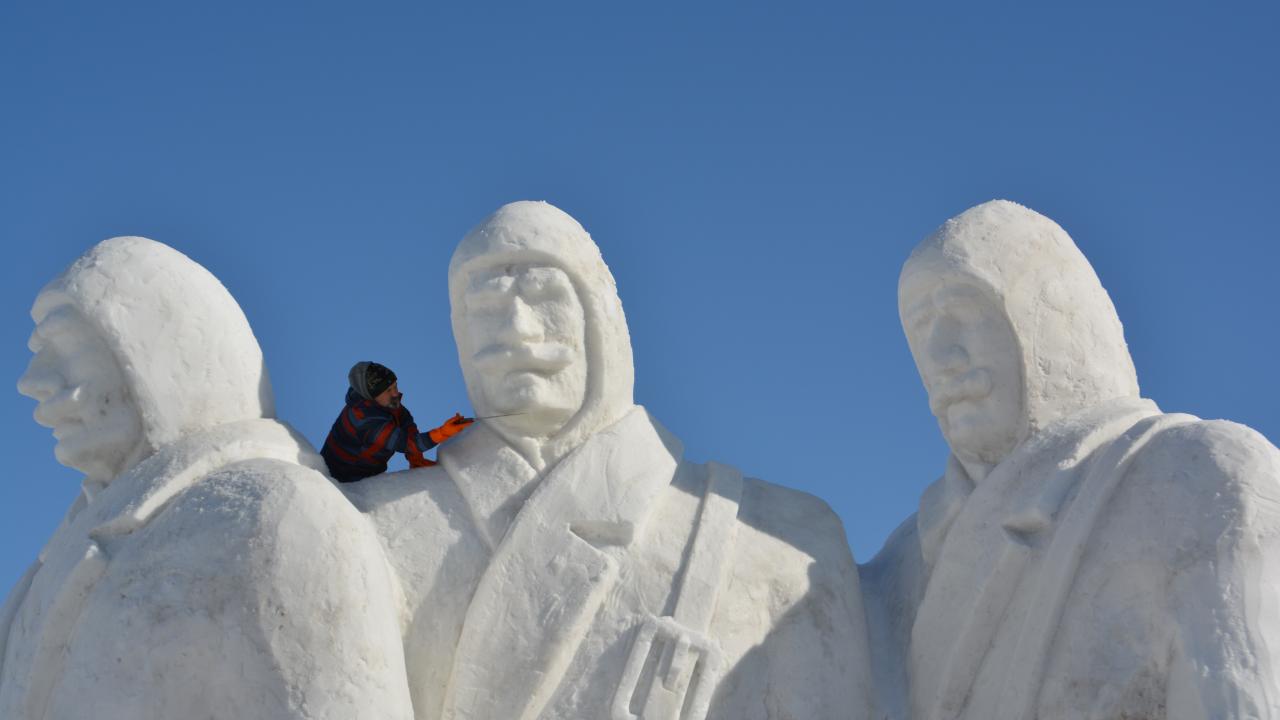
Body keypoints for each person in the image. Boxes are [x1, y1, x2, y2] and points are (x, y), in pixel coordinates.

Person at [341, 201, 877, 720]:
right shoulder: (364, 527)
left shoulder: (780, 536)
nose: (517, 332)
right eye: (483, 308)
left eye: (544, 295)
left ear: (600, 316)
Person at [860, 200, 1280, 720]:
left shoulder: (1200, 474)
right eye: (921, 330)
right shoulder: (900, 564)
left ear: (1043, 318)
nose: (941, 356)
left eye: (965, 310)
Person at [1, 237, 414, 720]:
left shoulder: (274, 512)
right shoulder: (48, 565)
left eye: (64, 346)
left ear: (153, 354)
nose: (31, 380)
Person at [320, 361, 473, 482]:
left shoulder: (385, 403)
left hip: (366, 473)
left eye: (395, 385)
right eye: (388, 390)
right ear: (371, 396)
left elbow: (405, 421)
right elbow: (407, 443)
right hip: (343, 482)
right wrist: (443, 432)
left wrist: (415, 457)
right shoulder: (366, 420)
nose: (396, 393)